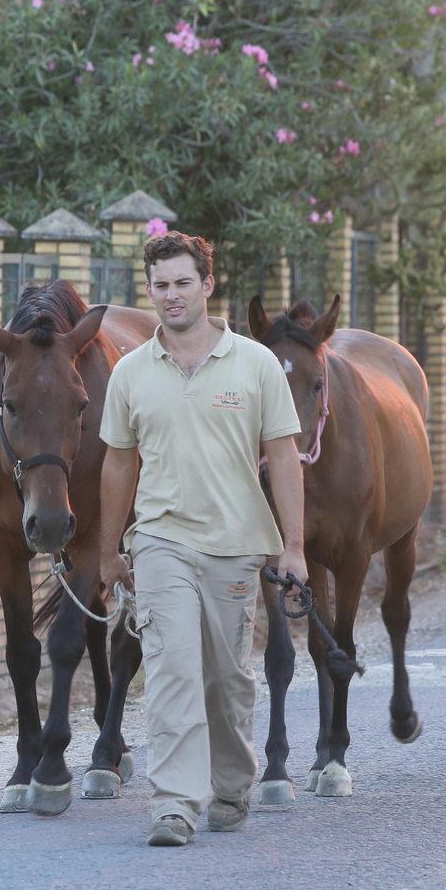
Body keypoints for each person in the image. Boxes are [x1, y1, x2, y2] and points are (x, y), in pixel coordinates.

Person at [99, 232, 308, 847]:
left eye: (182, 283)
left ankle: (231, 781)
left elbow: (284, 456)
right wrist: (110, 550)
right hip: (161, 541)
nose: (170, 296)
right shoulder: (132, 372)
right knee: (171, 671)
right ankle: (173, 804)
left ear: (207, 286)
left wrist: (292, 546)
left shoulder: (255, 364)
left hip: (237, 542)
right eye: (159, 285)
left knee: (225, 677)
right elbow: (117, 464)